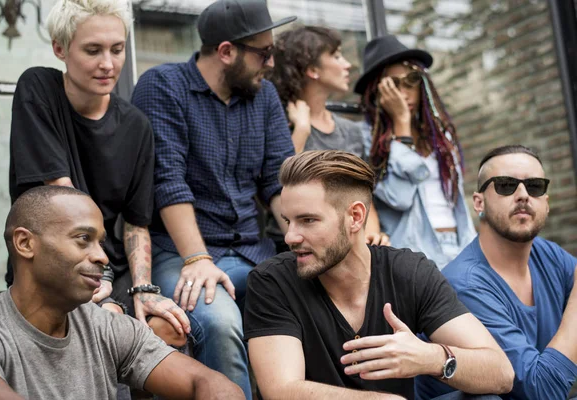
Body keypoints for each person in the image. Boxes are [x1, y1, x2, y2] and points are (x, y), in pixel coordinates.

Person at [244, 150, 514, 399]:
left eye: (308, 220)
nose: (290, 237)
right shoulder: (272, 281)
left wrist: (431, 357)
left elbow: (501, 373)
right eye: (289, 221)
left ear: (356, 217)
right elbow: (281, 390)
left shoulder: (409, 272)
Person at [130, 0, 296, 397]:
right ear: (226, 52)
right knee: (219, 323)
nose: (270, 63)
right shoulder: (163, 86)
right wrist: (198, 258)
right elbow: (167, 182)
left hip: (255, 251)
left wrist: (306, 239)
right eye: (264, 52)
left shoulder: (265, 96)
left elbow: (281, 182)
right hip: (180, 252)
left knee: (325, 295)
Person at [6, 0, 188, 349]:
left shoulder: (136, 126)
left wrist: (144, 289)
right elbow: (63, 201)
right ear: (60, 49)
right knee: (108, 327)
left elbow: (136, 224)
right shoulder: (39, 89)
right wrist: (98, 280)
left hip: (108, 265)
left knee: (169, 330)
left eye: (117, 49)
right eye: (93, 50)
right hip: (49, 264)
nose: (108, 64)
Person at [0, 186, 244, 400]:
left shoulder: (107, 328)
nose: (103, 257)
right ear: (25, 243)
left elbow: (210, 383)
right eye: (83, 239)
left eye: (101, 242)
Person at [416, 145, 577, 400]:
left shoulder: (549, 255)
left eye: (534, 186)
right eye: (506, 185)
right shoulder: (465, 284)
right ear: (479, 202)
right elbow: (541, 390)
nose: (523, 194)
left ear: (546, 202)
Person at [355, 34, 476, 269]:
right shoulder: (366, 140)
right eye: (393, 84)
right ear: (376, 92)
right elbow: (399, 198)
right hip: (415, 252)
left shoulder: (441, 137)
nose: (404, 92)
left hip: (460, 248)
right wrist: (401, 124)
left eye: (411, 80)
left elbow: (456, 203)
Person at [267, 25, 389, 248]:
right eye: (336, 56)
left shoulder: (350, 130)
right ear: (313, 69)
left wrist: (372, 235)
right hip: (294, 247)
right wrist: (301, 132)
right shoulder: (280, 125)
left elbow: (362, 194)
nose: (347, 64)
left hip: (348, 244)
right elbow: (278, 188)